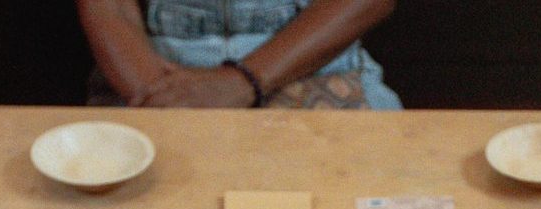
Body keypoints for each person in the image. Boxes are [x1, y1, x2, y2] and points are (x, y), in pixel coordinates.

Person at [79, 0, 400, 109]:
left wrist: (243, 81)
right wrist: (157, 97)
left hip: (319, 71)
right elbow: (110, 7)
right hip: (156, 77)